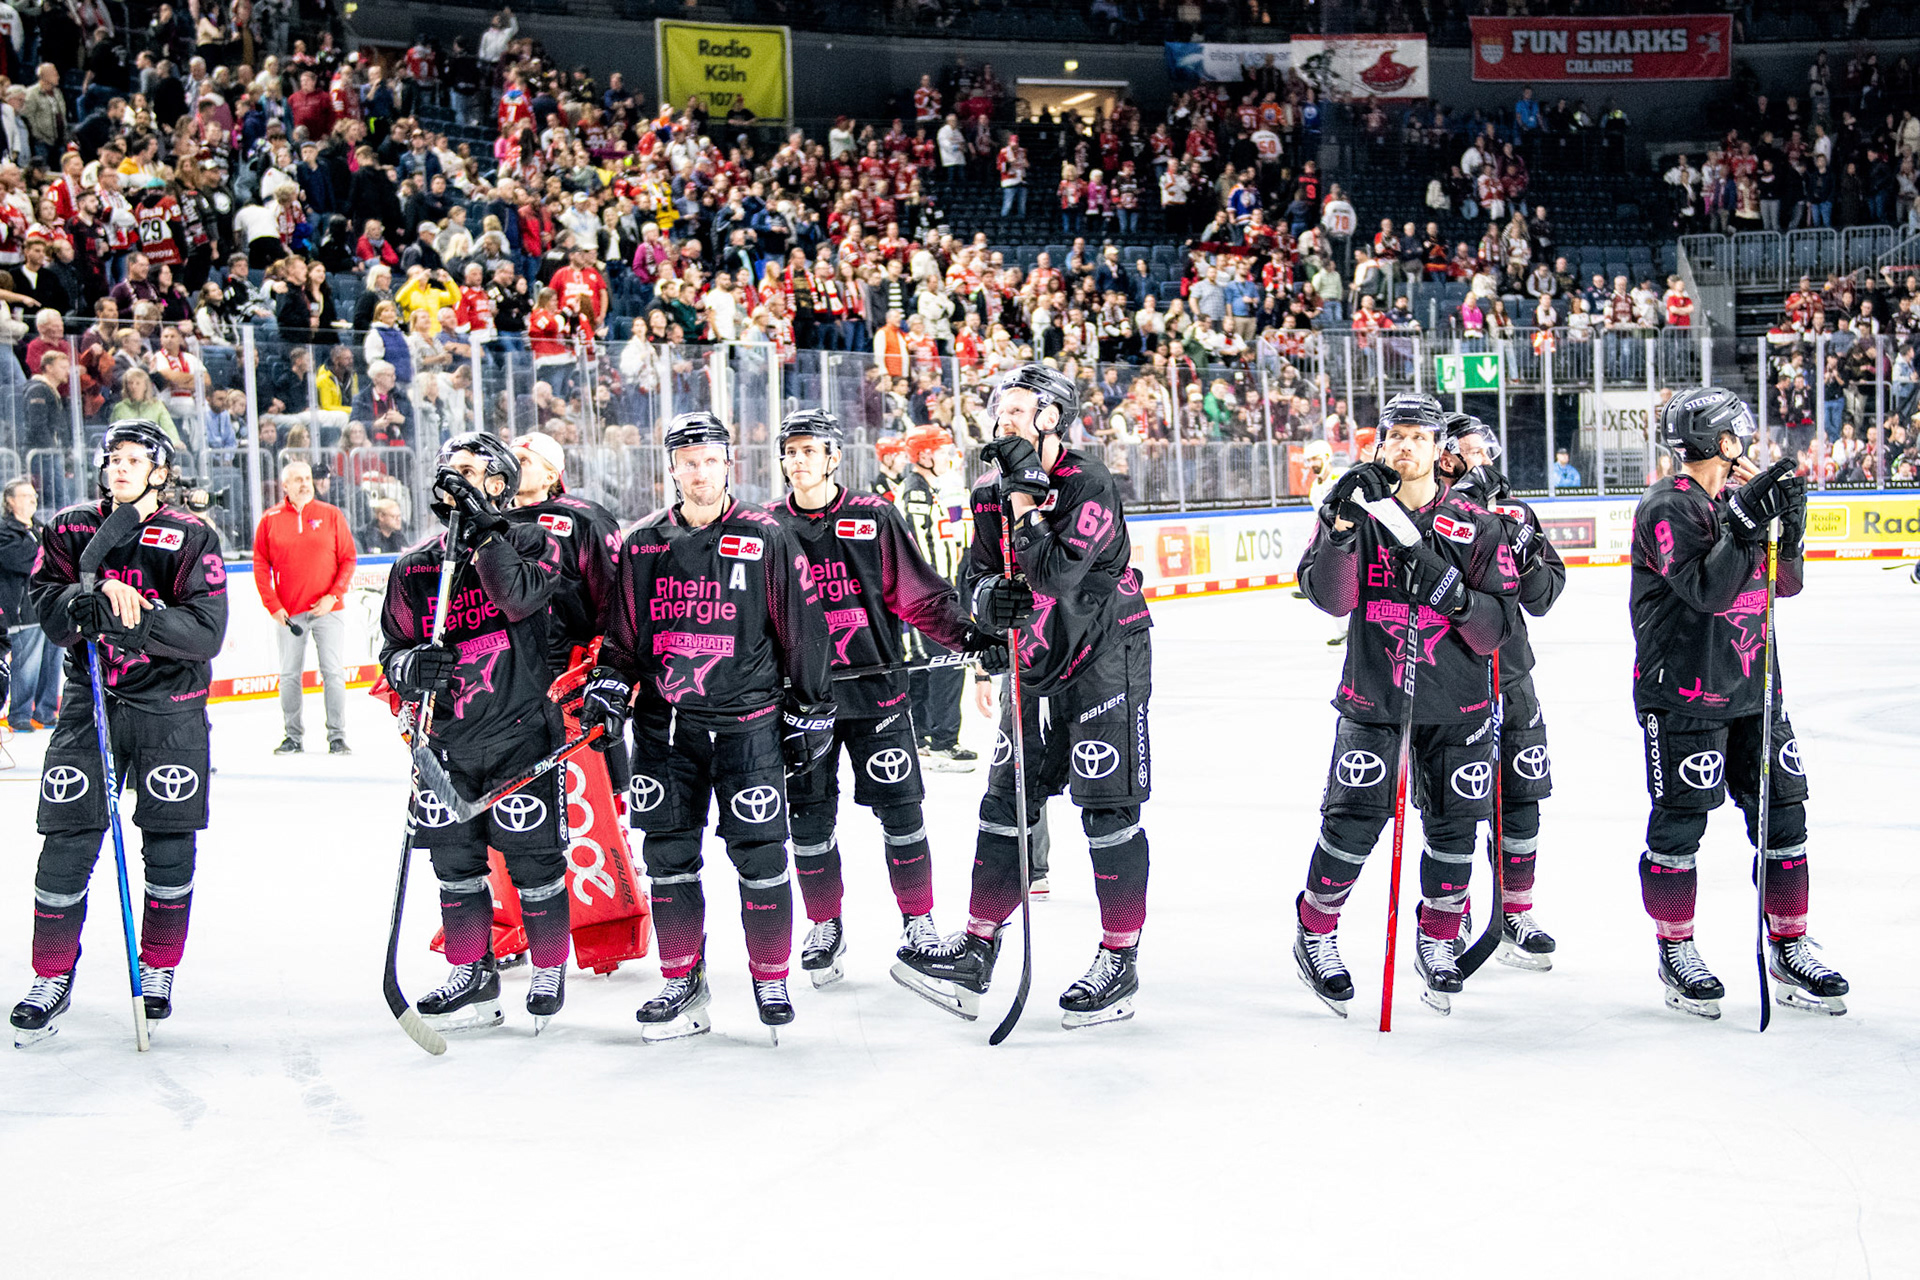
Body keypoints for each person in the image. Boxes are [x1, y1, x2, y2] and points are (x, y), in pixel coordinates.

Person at [892, 364, 1154, 1031]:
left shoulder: (1087, 480)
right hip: (1031, 659)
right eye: (997, 409)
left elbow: (1058, 572)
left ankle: (1120, 960)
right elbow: (974, 574)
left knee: (1106, 808)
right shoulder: (986, 487)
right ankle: (978, 948)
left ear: (1052, 418)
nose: (1002, 419)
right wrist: (987, 602)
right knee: (1006, 800)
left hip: (1106, 659)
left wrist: (1025, 503)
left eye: (1016, 410)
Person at [581, 411, 832, 1042]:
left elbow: (801, 627)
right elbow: (623, 636)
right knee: (667, 856)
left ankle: (770, 978)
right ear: (671, 468)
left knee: (760, 854)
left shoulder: (766, 534)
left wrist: (813, 707)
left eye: (710, 459)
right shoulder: (641, 544)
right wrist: (610, 683)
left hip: (748, 727)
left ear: (729, 464)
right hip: (666, 731)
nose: (699, 470)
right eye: (687, 460)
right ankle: (681, 982)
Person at [1291, 394, 1520, 1018]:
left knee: (1453, 828)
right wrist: (1337, 527)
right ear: (1379, 444)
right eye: (1396, 436)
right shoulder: (1358, 512)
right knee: (1353, 821)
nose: (1406, 447)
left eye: (1420, 437)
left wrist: (1452, 597)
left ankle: (1439, 940)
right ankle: (1315, 932)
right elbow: (1331, 600)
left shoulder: (1477, 523)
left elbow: (1496, 630)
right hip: (1376, 696)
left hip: (1461, 701)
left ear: (1440, 449)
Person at [1627, 388, 1847, 1018]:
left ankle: (1790, 942)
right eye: (1737, 433)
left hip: (1757, 690)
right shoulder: (1669, 506)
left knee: (1785, 819)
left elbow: (1786, 583)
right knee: (1680, 824)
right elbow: (1708, 589)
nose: (1745, 441)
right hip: (1686, 694)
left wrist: (1789, 524)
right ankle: (1676, 949)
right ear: (1720, 440)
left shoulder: (1735, 501)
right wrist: (1748, 525)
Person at [10, 422, 230, 1046]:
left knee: (168, 847)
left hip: (172, 710)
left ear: (160, 471)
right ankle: (50, 977)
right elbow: (45, 605)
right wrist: (79, 601)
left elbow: (204, 634)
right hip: (90, 704)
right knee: (65, 845)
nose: (121, 467)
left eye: (136, 459)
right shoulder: (72, 527)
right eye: (114, 458)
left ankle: (157, 969)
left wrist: (126, 616)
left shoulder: (191, 536)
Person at [768, 409, 1004, 989]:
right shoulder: (767, 526)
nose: (799, 461)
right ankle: (825, 923)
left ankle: (919, 923)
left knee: (902, 813)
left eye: (809, 450)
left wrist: (974, 638)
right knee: (809, 819)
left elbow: (919, 597)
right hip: (802, 702)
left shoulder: (872, 517)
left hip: (876, 693)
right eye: (790, 451)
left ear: (833, 457)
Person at [378, 432, 572, 1034]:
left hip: (520, 736)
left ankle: (546, 968)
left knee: (534, 860)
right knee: (455, 865)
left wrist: (486, 531)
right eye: (448, 469)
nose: (453, 479)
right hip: (445, 745)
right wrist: (411, 668)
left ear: (500, 483)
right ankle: (472, 973)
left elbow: (517, 600)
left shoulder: (531, 540)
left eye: (469, 470)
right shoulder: (415, 566)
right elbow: (390, 650)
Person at [1436, 414, 1566, 966]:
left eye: (1488, 450)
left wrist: (1528, 548)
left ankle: (1514, 909)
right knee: (1458, 802)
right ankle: (1455, 906)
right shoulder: (1429, 514)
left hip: (1512, 673)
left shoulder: (1513, 509)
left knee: (1523, 794)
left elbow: (1544, 595)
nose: (1486, 462)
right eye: (1472, 452)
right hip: (1453, 679)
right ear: (1447, 460)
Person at [252, 459, 357, 756]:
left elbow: (348, 559)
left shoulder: (332, 515)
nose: (304, 483)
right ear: (284, 485)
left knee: (334, 673)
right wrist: (272, 605)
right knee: (288, 674)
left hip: (329, 610)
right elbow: (260, 565)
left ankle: (337, 736)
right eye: (297, 479)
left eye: (307, 477)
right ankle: (292, 736)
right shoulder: (270, 519)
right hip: (289, 614)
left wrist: (334, 595)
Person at [896, 424, 977, 772]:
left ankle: (926, 738)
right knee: (946, 663)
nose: (948, 457)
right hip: (927, 595)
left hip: (936, 591)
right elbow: (918, 550)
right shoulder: (915, 492)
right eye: (942, 451)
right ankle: (941, 741)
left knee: (931, 664)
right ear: (925, 455)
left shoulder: (932, 489)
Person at [2, 476, 59, 731]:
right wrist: (46, 554)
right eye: (25, 495)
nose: (32, 499)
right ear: (10, 501)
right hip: (22, 610)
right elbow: (20, 561)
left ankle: (46, 711)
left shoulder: (39, 529)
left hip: (46, 607)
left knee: (51, 662)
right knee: (26, 665)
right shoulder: (5, 531)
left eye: (33, 495)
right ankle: (20, 714)